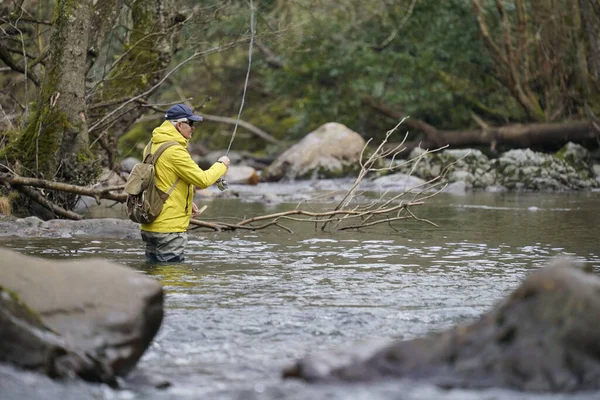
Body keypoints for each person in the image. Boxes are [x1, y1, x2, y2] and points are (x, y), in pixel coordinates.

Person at [140, 103, 230, 263]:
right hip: (168, 229)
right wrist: (221, 164)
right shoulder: (175, 151)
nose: (193, 128)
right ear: (179, 125)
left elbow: (163, 181)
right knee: (173, 280)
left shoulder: (151, 145)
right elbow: (203, 180)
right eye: (191, 123)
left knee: (152, 276)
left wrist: (186, 202)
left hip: (150, 225)